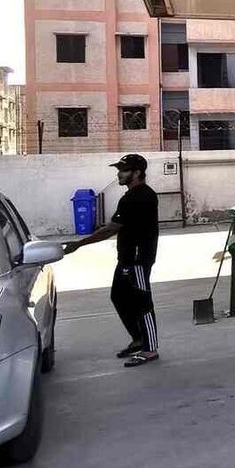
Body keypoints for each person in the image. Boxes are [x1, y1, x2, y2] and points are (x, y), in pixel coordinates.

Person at [65, 153, 161, 367]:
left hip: (137, 259)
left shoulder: (137, 197)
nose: (119, 174)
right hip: (128, 257)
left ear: (137, 173)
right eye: (119, 170)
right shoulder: (134, 195)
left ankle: (150, 349)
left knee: (142, 301)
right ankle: (138, 339)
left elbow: (110, 229)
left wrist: (79, 244)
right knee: (118, 295)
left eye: (124, 170)